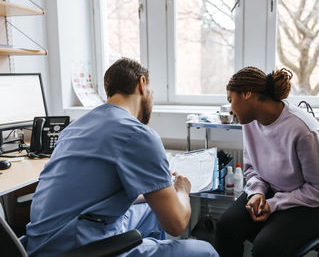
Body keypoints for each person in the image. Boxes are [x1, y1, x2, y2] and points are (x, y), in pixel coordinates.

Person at [26, 58, 218, 257]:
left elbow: (95, 191)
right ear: (142, 84)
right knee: (206, 251)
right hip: (78, 248)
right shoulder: (138, 134)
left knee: (153, 212)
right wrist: (182, 190)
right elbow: (177, 224)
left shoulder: (74, 128)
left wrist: (155, 190)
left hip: (44, 242)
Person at [215, 66, 319, 257]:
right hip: (274, 190)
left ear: (247, 94)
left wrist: (274, 204)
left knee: (267, 246)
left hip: (317, 202)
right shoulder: (250, 122)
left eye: (230, 100)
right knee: (226, 227)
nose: (230, 109)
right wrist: (256, 193)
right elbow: (252, 169)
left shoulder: (304, 130)